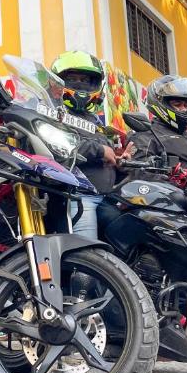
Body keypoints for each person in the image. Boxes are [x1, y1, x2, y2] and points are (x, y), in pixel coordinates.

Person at [50, 51, 135, 239]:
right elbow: (58, 147)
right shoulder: (53, 114)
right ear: (57, 81)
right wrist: (99, 150)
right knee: (88, 255)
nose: (80, 84)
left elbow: (106, 159)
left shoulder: (96, 123)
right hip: (79, 196)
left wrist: (121, 162)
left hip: (108, 198)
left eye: (86, 80)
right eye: (72, 79)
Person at [125, 75, 187, 173]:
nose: (184, 109)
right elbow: (140, 175)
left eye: (186, 105)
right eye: (177, 105)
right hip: (167, 187)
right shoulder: (147, 137)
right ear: (160, 103)